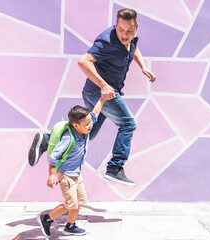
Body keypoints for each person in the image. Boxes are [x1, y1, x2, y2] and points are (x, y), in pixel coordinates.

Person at [28, 8, 156, 186]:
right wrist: (104, 85)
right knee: (128, 123)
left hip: (94, 93)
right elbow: (84, 62)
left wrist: (143, 66)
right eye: (121, 30)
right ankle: (115, 167)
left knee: (89, 132)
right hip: (100, 92)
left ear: (136, 27)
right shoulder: (106, 41)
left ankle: (47, 139)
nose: (125, 35)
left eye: (129, 31)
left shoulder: (130, 37)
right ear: (115, 25)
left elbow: (133, 47)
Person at [37, 98, 104, 237]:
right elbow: (53, 157)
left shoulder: (84, 128)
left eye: (89, 123)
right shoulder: (68, 138)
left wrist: (102, 99)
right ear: (75, 125)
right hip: (66, 176)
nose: (90, 125)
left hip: (76, 174)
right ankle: (46, 219)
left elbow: (95, 114)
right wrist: (51, 175)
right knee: (70, 204)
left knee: (78, 201)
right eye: (87, 124)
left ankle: (70, 226)